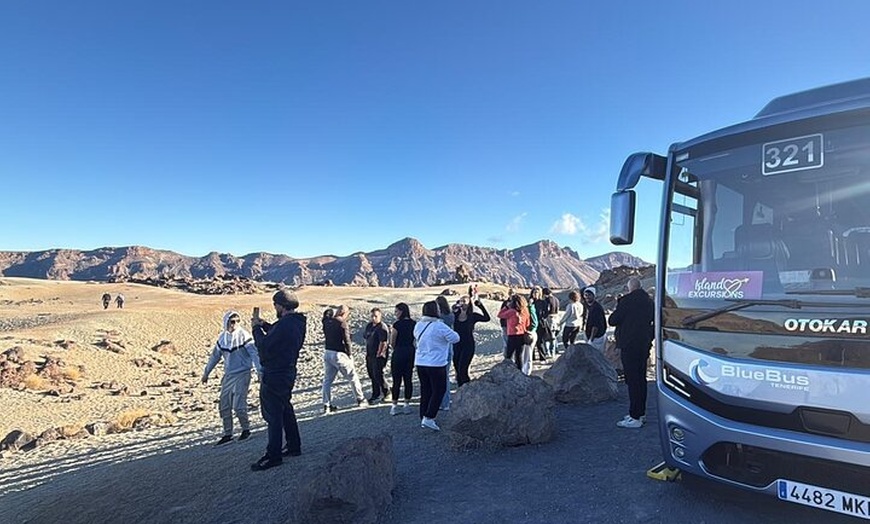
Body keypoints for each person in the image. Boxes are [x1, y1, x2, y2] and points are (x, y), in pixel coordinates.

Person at [250, 289, 306, 471]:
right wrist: (265, 325)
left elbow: (264, 346)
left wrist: (256, 329)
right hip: (288, 371)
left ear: (281, 306)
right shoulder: (297, 322)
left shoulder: (284, 325)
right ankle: (293, 445)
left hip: (275, 373)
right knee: (286, 408)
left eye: (275, 305)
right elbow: (279, 332)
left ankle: (273, 455)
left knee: (273, 415)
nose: (275, 308)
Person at [202, 311, 262, 445]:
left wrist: (259, 371)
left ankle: (246, 430)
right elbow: (215, 356)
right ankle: (228, 433)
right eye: (232, 321)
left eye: (237, 321)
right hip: (229, 375)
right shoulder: (222, 338)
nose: (234, 324)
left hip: (243, 373)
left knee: (239, 405)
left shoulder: (244, 336)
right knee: (224, 404)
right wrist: (206, 373)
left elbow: (254, 354)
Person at [608, 277, 655, 429]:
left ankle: (635, 416)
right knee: (641, 379)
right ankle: (640, 413)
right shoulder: (649, 302)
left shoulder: (626, 301)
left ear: (630, 288)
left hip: (629, 345)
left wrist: (618, 305)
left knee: (632, 380)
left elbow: (613, 320)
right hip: (643, 344)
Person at [414, 301, 459, 431]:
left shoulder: (419, 325)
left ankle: (423, 415)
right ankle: (429, 417)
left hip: (421, 362)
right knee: (439, 390)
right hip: (436, 363)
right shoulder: (439, 326)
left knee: (426, 390)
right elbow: (455, 338)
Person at [321, 304, 365, 412]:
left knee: (327, 380)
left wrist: (330, 313)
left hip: (328, 352)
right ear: (344, 313)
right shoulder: (342, 323)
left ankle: (326, 405)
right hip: (339, 354)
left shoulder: (327, 322)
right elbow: (347, 341)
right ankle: (360, 399)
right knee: (352, 376)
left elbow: (325, 316)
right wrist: (350, 355)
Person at [451, 294, 491, 386]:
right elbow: (446, 318)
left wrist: (480, 306)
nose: (462, 303)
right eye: (461, 301)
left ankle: (467, 390)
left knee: (462, 370)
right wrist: (452, 309)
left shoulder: (473, 316)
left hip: (468, 345)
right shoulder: (455, 315)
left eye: (464, 301)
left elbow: (487, 318)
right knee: (457, 371)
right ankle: (461, 390)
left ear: (469, 304)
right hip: (457, 345)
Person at [388, 302, 416, 416]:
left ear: (402, 311)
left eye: (397, 311)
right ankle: (406, 404)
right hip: (410, 351)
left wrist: (395, 347)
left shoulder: (397, 324)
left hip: (399, 351)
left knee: (396, 380)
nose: (395, 313)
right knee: (408, 378)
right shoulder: (413, 323)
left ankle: (394, 405)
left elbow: (392, 341)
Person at [363, 308, 390, 404]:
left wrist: (379, 355)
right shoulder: (369, 326)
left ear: (380, 316)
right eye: (372, 316)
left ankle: (387, 392)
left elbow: (384, 343)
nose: (373, 318)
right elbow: (366, 337)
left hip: (378, 355)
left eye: (376, 316)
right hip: (370, 354)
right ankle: (376, 394)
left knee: (378, 374)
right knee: (372, 374)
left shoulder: (382, 327)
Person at [498, 294, 530, 370]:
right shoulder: (525, 311)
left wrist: (506, 307)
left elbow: (500, 315)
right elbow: (528, 323)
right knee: (519, 356)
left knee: (509, 355)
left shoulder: (511, 311)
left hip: (512, 335)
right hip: (522, 335)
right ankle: (520, 371)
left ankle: (507, 370)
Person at [435, 295, 455, 411]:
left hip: (439, 349)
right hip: (448, 348)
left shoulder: (438, 318)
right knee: (445, 376)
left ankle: (439, 401)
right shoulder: (451, 316)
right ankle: (445, 402)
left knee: (438, 377)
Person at [582, 287, 607, 352]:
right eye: (586, 295)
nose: (587, 297)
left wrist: (591, 340)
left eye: (589, 295)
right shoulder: (589, 306)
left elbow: (595, 326)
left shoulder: (596, 308)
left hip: (597, 338)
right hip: (592, 337)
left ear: (594, 296)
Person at [521, 293, 539, 376]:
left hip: (529, 334)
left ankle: (526, 372)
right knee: (527, 354)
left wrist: (529, 330)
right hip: (530, 333)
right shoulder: (531, 309)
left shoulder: (529, 310)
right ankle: (526, 371)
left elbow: (534, 323)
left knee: (527, 355)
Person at [540, 288, 559, 357]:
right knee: (553, 335)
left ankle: (548, 352)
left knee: (547, 335)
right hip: (556, 317)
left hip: (549, 318)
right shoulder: (556, 299)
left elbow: (547, 309)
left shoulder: (547, 300)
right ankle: (554, 351)